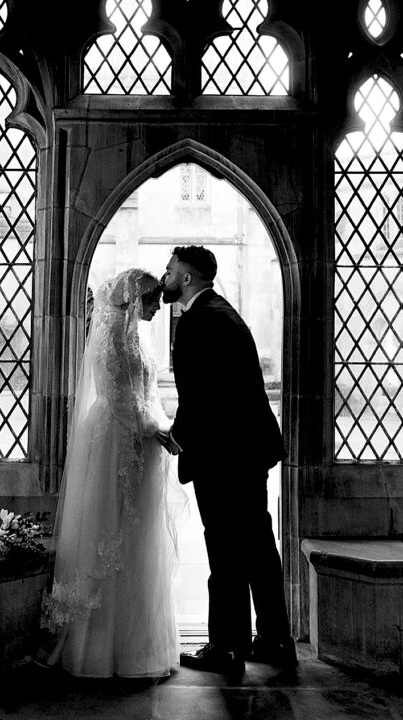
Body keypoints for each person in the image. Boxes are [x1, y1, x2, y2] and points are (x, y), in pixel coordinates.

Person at [38, 267, 183, 678]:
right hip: (114, 445)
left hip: (139, 441)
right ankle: (101, 649)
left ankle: (137, 645)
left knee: (137, 542)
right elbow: (118, 395)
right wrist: (153, 429)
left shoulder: (138, 335)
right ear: (134, 300)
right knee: (110, 535)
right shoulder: (111, 339)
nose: (159, 307)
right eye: (153, 300)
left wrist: (161, 424)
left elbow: (148, 391)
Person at [158, 245, 296, 676]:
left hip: (224, 458)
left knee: (225, 550)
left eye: (170, 270)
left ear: (187, 278)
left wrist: (177, 437)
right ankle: (275, 640)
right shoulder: (222, 312)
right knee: (257, 548)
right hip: (245, 452)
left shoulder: (200, 320)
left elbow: (200, 394)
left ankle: (227, 649)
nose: (164, 276)